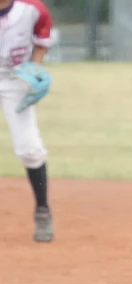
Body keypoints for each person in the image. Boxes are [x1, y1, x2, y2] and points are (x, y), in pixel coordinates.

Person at [0, 0, 54, 242]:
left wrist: (34, 70)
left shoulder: (33, 9)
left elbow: (41, 42)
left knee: (30, 149)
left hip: (15, 79)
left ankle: (42, 210)